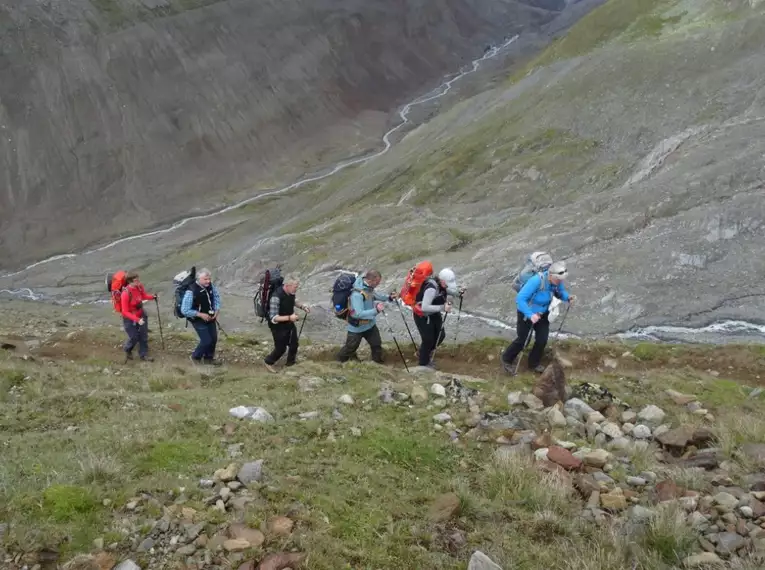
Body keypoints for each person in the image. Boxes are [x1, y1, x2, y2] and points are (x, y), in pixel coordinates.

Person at [501, 260, 575, 375]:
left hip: (542, 313)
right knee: (523, 340)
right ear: (550, 275)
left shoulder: (556, 280)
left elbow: (560, 291)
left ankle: (533, 363)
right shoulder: (536, 281)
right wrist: (530, 315)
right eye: (558, 280)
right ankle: (506, 359)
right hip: (526, 313)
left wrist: (567, 298)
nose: (559, 282)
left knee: (542, 339)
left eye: (561, 280)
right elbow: (520, 299)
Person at [336, 270, 396, 363]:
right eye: (377, 282)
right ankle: (338, 363)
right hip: (357, 327)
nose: (378, 284)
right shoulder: (357, 294)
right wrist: (375, 310)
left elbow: (375, 296)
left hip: (370, 325)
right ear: (371, 280)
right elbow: (357, 314)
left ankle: (378, 364)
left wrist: (389, 298)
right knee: (350, 348)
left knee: (376, 345)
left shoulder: (368, 288)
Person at [413, 267, 465, 369]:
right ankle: (423, 364)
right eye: (447, 284)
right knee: (428, 339)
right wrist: (443, 307)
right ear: (442, 281)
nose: (447, 286)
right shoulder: (431, 289)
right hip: (423, 316)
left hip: (434, 313)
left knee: (441, 335)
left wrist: (458, 293)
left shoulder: (441, 285)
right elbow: (424, 307)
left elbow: (448, 290)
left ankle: (423, 352)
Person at [264, 275, 310, 372]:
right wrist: (290, 317)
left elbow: (293, 301)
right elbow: (273, 318)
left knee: (294, 344)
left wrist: (302, 307)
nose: (296, 289)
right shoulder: (275, 297)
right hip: (277, 327)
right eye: (295, 287)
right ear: (287, 285)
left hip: (289, 323)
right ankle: (268, 362)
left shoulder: (291, 292)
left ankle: (290, 364)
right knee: (281, 348)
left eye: (297, 287)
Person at [180, 268, 222, 365]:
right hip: (197, 319)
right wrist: (200, 314)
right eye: (205, 279)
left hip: (211, 317)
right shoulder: (191, 291)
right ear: (199, 279)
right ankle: (195, 357)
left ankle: (209, 359)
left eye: (209, 279)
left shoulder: (210, 286)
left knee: (213, 339)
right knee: (206, 340)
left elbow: (216, 297)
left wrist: (217, 310)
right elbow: (184, 310)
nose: (208, 281)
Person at [120, 271, 157, 362]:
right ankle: (127, 349)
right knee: (134, 337)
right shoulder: (125, 294)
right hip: (130, 318)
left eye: (138, 280)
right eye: (136, 280)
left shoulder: (139, 287)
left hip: (141, 314)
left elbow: (143, 296)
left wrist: (152, 297)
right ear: (130, 282)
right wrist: (137, 320)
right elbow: (125, 312)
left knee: (143, 335)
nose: (138, 282)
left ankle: (143, 355)